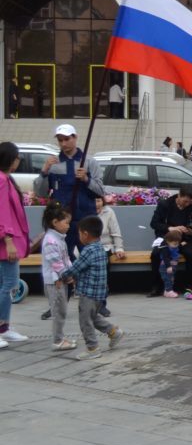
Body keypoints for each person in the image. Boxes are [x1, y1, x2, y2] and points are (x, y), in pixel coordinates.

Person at [34, 124, 106, 258]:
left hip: (86, 219)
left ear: (75, 137)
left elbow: (101, 191)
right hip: (62, 221)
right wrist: (44, 171)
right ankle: (67, 279)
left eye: (67, 139)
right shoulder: (53, 163)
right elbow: (40, 193)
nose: (63, 143)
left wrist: (86, 179)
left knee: (91, 257)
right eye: (60, 140)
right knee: (61, 259)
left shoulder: (90, 162)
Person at [60, 215, 125, 360]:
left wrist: (63, 276)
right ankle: (113, 332)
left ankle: (92, 348)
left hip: (88, 293)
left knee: (85, 321)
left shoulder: (88, 251)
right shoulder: (101, 249)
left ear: (85, 234)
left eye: (79, 233)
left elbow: (76, 267)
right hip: (100, 293)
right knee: (93, 317)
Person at [0, 142, 31, 348]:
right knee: (10, 284)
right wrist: (8, 240)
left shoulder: (6, 178)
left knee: (6, 284)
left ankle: (5, 328)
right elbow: (2, 212)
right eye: (17, 156)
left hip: (7, 241)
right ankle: (2, 326)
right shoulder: (2, 180)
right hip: (5, 243)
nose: (18, 160)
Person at [149, 185, 192, 298]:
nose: (187, 204)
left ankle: (190, 285)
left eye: (190, 202)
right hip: (167, 238)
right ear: (179, 195)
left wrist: (190, 232)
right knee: (156, 254)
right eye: (185, 201)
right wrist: (170, 228)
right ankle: (157, 286)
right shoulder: (165, 205)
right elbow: (154, 223)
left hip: (184, 239)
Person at [41, 202, 76, 351]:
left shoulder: (59, 238)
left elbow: (66, 258)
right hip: (55, 282)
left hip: (61, 280)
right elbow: (56, 263)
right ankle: (57, 340)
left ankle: (60, 337)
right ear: (55, 222)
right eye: (66, 222)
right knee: (58, 312)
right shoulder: (50, 240)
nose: (68, 225)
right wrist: (67, 276)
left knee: (61, 310)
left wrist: (71, 271)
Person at [157, 230, 184, 298]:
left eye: (178, 243)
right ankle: (169, 291)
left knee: (171, 279)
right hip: (165, 267)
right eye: (175, 244)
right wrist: (168, 266)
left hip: (173, 266)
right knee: (168, 279)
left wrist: (181, 244)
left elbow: (176, 248)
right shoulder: (165, 249)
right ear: (168, 241)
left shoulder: (173, 245)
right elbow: (165, 258)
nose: (176, 245)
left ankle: (167, 291)